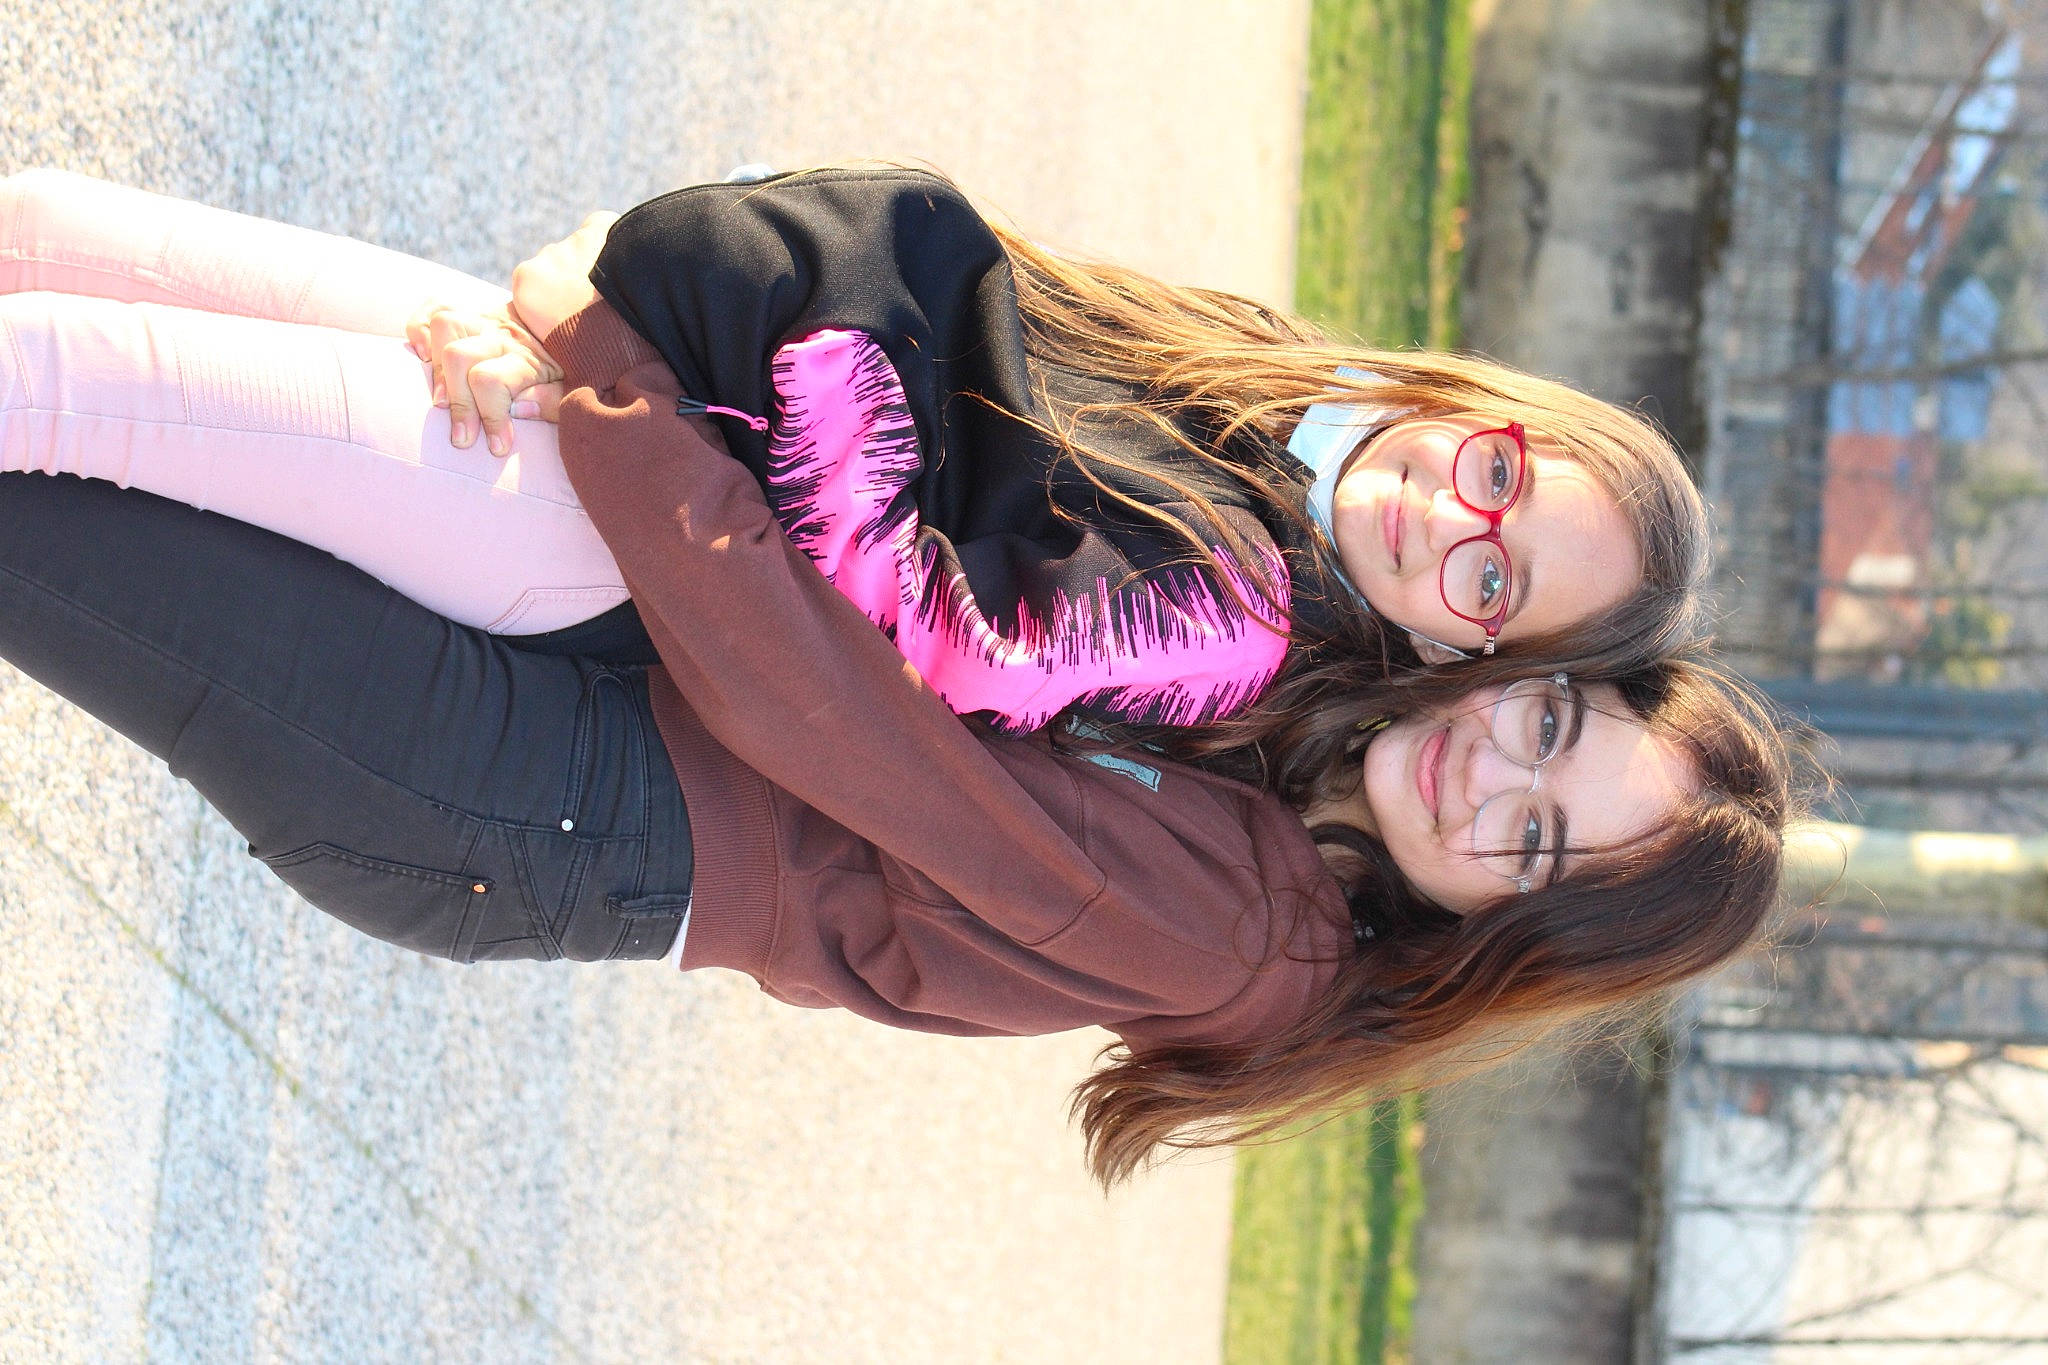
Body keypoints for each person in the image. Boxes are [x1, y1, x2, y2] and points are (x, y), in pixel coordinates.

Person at [0, 267, 1793, 1183]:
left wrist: (609, 359)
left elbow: (854, 736)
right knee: (63, 291)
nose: (1497, 770)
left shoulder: (1257, 935)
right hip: (608, 628)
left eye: (1542, 838)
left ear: (1512, 935)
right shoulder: (1312, 702)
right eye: (1548, 723)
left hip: (529, 802)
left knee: (45, 474)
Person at [0, 168, 1708, 752]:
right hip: (592, 386)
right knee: (58, 244)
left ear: (1469, 644)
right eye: (1501, 474)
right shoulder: (1248, 386)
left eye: (1498, 580)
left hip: (588, 507)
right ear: (1500, 412)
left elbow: (938, 630)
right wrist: (620, 312)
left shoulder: (1242, 615)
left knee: (71, 381)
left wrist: (789, 348)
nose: (1450, 517)